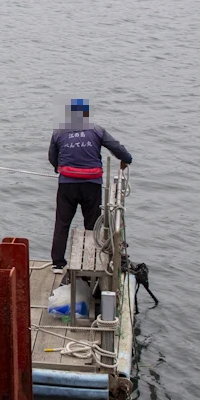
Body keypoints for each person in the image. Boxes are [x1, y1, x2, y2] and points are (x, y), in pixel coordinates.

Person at [48, 99, 132, 272]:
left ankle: (57, 263)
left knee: (62, 223)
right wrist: (126, 159)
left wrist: (59, 169)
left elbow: (52, 157)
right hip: (91, 184)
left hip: (67, 185)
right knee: (92, 223)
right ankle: (92, 259)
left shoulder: (58, 132)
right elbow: (116, 148)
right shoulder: (96, 130)